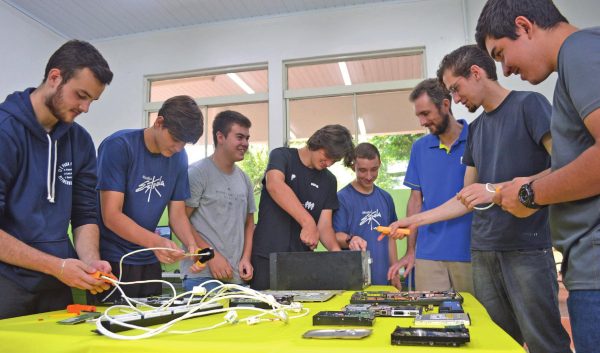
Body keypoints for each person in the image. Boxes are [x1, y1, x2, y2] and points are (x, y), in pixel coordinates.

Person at [388, 45, 571, 353]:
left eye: (456, 90)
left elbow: (565, 167)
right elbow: (465, 198)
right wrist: (412, 220)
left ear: (476, 73)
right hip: (483, 252)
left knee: (544, 342)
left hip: (526, 248)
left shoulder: (530, 105)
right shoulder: (477, 130)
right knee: (494, 342)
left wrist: (496, 189)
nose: (456, 99)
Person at [475, 1, 600, 350]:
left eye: (501, 54)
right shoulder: (577, 63)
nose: (507, 69)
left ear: (524, 26)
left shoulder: (580, 51)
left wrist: (531, 193)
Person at [0, 40, 114, 319]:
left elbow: (85, 213)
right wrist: (58, 266)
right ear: (55, 78)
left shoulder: (80, 141)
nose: (85, 108)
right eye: (80, 95)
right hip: (7, 282)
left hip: (56, 282)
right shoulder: (5, 131)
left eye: (92, 100)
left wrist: (89, 262)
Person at [95, 95, 204, 302]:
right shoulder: (118, 146)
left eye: (184, 144)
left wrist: (191, 245)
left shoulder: (179, 157)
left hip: (150, 259)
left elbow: (178, 215)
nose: (178, 148)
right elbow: (111, 215)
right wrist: (157, 243)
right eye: (175, 139)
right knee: (113, 326)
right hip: (113, 260)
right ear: (159, 122)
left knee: (154, 325)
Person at [388, 78, 473, 293]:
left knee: (476, 319)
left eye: (425, 114)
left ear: (446, 105)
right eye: (418, 115)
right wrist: (410, 251)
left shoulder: (477, 137)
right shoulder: (420, 148)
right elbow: (415, 200)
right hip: (428, 255)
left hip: (471, 251)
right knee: (429, 319)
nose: (422, 122)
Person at [250, 124, 354, 289]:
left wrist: (338, 257)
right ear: (317, 142)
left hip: (300, 261)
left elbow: (325, 226)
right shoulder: (282, 156)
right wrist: (307, 222)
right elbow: (274, 185)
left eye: (334, 160)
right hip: (266, 256)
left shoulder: (329, 180)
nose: (328, 163)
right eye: (327, 156)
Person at [180, 110, 256, 292]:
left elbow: (249, 224)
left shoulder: (245, 179)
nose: (245, 143)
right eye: (239, 137)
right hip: (201, 277)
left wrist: (246, 258)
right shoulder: (197, 173)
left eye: (247, 138)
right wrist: (210, 255)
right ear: (220, 137)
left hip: (237, 278)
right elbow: (180, 220)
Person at [332, 143, 400, 287]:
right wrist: (351, 240)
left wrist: (395, 272)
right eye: (362, 170)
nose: (369, 176)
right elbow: (334, 237)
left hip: (384, 278)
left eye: (374, 169)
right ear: (353, 167)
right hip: (353, 280)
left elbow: (390, 237)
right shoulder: (341, 198)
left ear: (380, 164)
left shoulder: (386, 198)